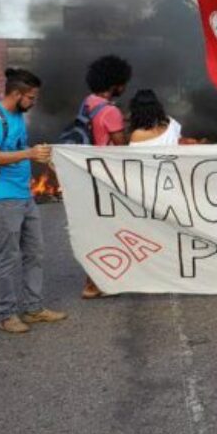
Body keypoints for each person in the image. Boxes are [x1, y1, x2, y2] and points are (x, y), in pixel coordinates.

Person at [0, 68, 66, 334]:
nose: (34, 102)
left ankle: (34, 307)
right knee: (7, 257)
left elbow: (17, 152)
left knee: (34, 253)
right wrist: (29, 153)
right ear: (16, 94)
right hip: (4, 198)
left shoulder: (17, 116)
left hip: (24, 196)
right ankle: (7, 315)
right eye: (31, 97)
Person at [81, 55, 132, 299]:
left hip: (87, 172)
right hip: (105, 176)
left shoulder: (88, 102)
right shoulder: (110, 110)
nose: (124, 87)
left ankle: (96, 281)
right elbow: (121, 146)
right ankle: (93, 283)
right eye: (123, 82)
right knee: (108, 229)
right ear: (115, 83)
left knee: (96, 228)